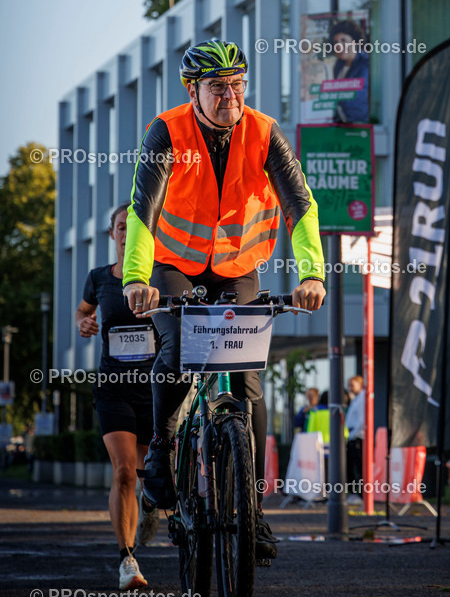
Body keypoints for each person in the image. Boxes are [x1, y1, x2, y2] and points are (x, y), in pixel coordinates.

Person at [121, 39, 326, 562]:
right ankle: (163, 451)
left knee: (249, 386)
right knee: (177, 352)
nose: (230, 96)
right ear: (193, 91)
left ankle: (252, 514)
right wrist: (136, 279)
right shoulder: (166, 131)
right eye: (218, 87)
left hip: (238, 269)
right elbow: (143, 211)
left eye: (237, 85)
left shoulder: (263, 132)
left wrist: (313, 275)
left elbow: (300, 206)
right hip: (172, 268)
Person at [75, 204, 159, 591]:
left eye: (134, 227)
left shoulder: (163, 278)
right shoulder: (98, 278)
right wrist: (84, 323)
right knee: (124, 470)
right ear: (112, 234)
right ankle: (127, 559)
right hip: (113, 386)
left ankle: (151, 503)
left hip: (157, 389)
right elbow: (82, 312)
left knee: (147, 474)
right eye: (121, 227)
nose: (126, 232)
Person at [329, 19, 370, 123]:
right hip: (341, 125)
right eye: (336, 42)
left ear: (355, 41)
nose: (339, 46)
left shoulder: (366, 64)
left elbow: (356, 98)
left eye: (343, 41)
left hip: (359, 125)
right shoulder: (338, 66)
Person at [346, 375, 365, 504]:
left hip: (358, 437)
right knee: (352, 467)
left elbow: (362, 420)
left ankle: (361, 494)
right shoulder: (355, 399)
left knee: (359, 467)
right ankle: (355, 493)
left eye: (352, 385)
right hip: (352, 437)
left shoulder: (363, 398)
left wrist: (353, 434)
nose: (350, 388)